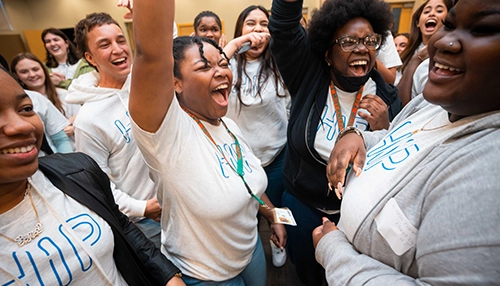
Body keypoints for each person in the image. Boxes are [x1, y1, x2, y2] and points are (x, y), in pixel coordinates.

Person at [313, 0, 500, 284]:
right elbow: (398, 142)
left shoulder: (489, 173)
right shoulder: (429, 104)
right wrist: (358, 136)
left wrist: (334, 250)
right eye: (449, 24)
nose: (445, 41)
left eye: (484, 29)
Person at [123, 0, 286, 284]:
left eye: (224, 64)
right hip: (207, 274)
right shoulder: (167, 133)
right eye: (205, 66)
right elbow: (151, 54)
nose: (221, 71)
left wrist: (273, 216)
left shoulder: (229, 125)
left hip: (251, 253)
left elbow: (246, 181)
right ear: (175, 83)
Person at [0, 65, 184, 285]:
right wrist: (141, 208)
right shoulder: (91, 118)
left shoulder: (77, 171)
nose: (20, 126)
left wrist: (169, 277)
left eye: (26, 108)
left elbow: (121, 226)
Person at [268, 0, 400, 284]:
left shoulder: (388, 96)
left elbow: (398, 159)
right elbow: (283, 27)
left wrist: (386, 128)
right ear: (328, 55)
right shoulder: (308, 76)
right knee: (303, 270)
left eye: (369, 40)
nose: (362, 48)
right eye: (349, 41)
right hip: (300, 204)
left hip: (357, 213)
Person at [65, 12, 163, 248]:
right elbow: (98, 184)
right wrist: (143, 208)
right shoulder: (89, 120)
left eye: (120, 40)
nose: (118, 49)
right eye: (105, 44)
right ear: (90, 57)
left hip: (179, 203)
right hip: (146, 222)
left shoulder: (144, 84)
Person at [223, 5, 290, 268]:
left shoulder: (281, 64)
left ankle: (278, 242)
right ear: (240, 30)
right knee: (247, 216)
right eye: (251, 24)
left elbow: (289, 107)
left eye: (264, 24)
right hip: (240, 161)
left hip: (276, 156)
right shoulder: (226, 65)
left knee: (279, 211)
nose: (258, 29)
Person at [11, 53, 80, 141]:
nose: (32, 74)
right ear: (16, 75)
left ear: (43, 69)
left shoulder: (66, 95)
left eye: (35, 69)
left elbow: (83, 121)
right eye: (24, 72)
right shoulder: (20, 105)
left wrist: (74, 128)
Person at [397, 0, 452, 105]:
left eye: (439, 10)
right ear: (418, 22)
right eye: (426, 12)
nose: (431, 14)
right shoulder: (407, 54)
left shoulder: (449, 54)